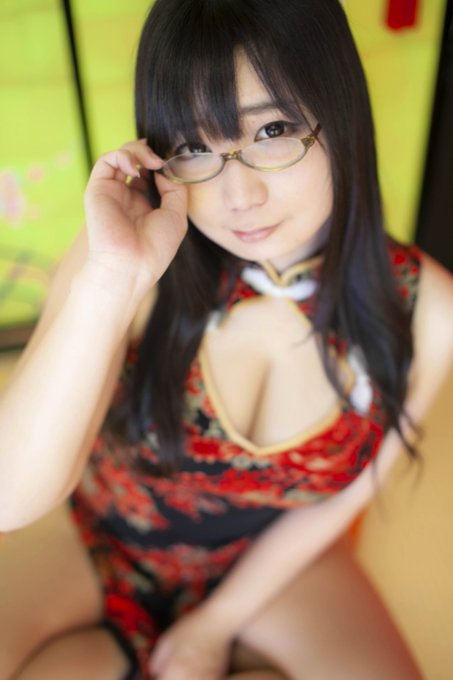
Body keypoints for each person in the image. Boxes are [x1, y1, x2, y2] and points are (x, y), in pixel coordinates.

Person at [0, 0, 452, 678]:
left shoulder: (426, 309)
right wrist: (114, 278)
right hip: (89, 537)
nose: (238, 196)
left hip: (270, 566)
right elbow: (9, 497)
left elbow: (351, 492)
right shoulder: (132, 252)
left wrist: (216, 623)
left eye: (272, 130)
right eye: (191, 148)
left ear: (340, 113)